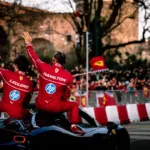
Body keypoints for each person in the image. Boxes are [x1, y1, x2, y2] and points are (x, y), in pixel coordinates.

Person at [22, 31, 85, 134]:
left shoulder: (44, 67)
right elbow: (66, 96)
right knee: (74, 104)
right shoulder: (68, 76)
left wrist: (28, 44)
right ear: (63, 63)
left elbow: (33, 57)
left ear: (53, 59)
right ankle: (73, 126)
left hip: (40, 105)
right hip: (55, 108)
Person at [0, 55, 33, 119]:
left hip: (2, 110)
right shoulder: (30, 83)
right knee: (29, 113)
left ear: (16, 66)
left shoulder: (7, 74)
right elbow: (26, 103)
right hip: (17, 114)